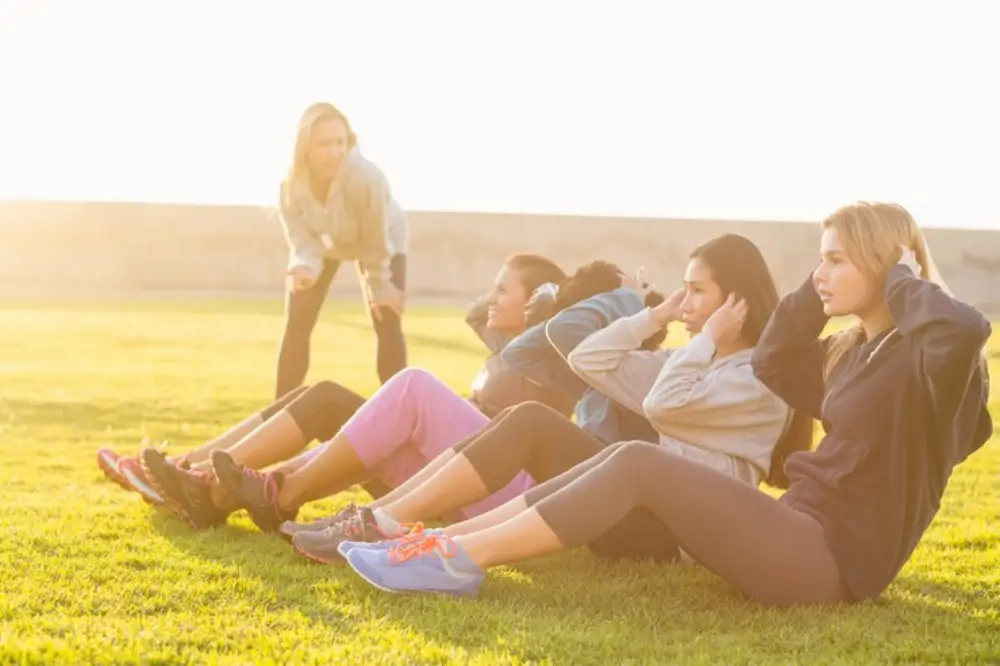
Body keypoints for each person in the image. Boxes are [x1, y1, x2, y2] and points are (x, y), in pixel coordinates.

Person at [339, 203, 991, 609]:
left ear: (885, 265)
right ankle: (437, 543)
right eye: (819, 261)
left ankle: (450, 561)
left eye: (835, 260)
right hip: (794, 528)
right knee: (628, 455)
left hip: (831, 561)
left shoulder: (929, 362)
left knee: (638, 465)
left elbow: (964, 333)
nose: (819, 273)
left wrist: (904, 278)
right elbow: (772, 360)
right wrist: (814, 289)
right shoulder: (853, 355)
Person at [307, 233, 809, 565]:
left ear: (737, 301)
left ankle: (391, 527)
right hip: (636, 509)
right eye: (683, 291)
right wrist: (653, 318)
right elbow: (588, 359)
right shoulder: (691, 361)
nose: (685, 305)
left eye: (697, 292)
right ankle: (390, 527)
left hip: (677, 537)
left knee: (535, 424)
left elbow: (662, 406)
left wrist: (701, 340)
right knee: (531, 422)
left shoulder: (758, 379)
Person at [134, 257, 618, 531]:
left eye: (503, 290)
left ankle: (252, 490)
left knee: (410, 385)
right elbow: (474, 315)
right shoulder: (503, 348)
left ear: (540, 305)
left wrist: (550, 297)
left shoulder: (555, 355)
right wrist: (510, 291)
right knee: (340, 407)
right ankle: (212, 496)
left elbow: (558, 330)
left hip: (497, 494)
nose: (491, 298)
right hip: (451, 476)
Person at [287, 277, 673, 562]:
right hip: (579, 503)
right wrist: (549, 305)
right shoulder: (587, 381)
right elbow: (526, 348)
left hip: (620, 520)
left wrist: (630, 300)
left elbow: (567, 331)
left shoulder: (643, 374)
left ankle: (377, 522)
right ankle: (366, 519)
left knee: (516, 415)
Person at [276, 102, 408, 398]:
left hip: (384, 240)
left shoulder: (367, 178)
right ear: (305, 147)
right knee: (297, 322)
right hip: (328, 243)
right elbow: (302, 238)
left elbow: (375, 240)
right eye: (324, 144)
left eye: (340, 142)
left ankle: (401, 413)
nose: (335, 152)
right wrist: (305, 267)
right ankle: (277, 416)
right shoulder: (290, 186)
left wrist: (379, 285)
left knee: (386, 319)